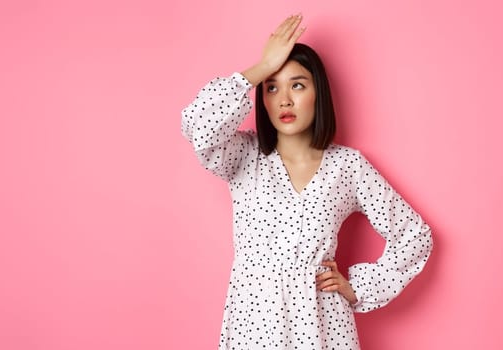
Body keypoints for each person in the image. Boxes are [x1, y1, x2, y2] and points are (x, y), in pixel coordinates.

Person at [180, 14, 433, 349]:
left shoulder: (347, 167)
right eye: (272, 87)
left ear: (319, 93)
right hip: (254, 325)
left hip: (324, 325)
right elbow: (197, 125)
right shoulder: (243, 156)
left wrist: (359, 287)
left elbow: (414, 235)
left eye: (297, 85)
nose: (284, 99)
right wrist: (261, 67)